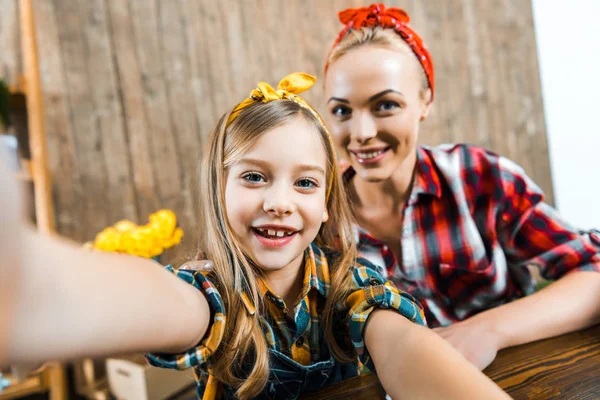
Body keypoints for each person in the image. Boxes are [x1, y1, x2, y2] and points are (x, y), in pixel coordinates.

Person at [1, 73, 510, 399]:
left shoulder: (350, 285)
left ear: (327, 200)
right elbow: (159, 300)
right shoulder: (209, 296)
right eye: (254, 176)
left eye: (305, 182)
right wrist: (41, 289)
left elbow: (401, 345)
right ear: (218, 188)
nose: (280, 201)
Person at [322, 3, 600, 370]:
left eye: (386, 105)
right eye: (342, 111)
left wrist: (487, 330)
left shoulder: (478, 176)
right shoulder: (316, 215)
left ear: (425, 102)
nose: (361, 133)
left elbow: (593, 270)